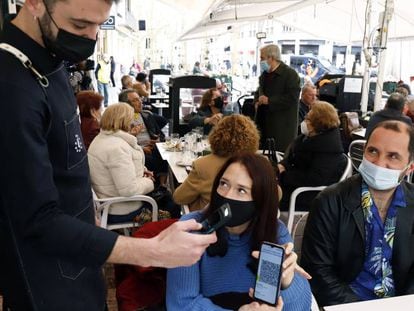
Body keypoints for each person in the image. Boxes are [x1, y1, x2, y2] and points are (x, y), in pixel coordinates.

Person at [0, 1, 216, 310]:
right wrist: (151, 250)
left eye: (100, 25)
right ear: (34, 2)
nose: (91, 38)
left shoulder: (50, 58)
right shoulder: (11, 87)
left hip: (81, 257)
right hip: (47, 282)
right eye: (78, 26)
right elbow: (36, 219)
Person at [167, 153, 312, 310]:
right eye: (223, 184)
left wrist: (287, 283)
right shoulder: (192, 229)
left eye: (241, 190)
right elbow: (181, 304)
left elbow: (301, 306)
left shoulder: (275, 233)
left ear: (260, 199)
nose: (227, 195)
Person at [301, 120, 414, 307]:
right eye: (373, 151)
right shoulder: (329, 202)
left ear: (409, 167)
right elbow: (318, 272)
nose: (379, 163)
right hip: (345, 304)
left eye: (393, 156)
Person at [88, 103, 180, 220]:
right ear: (124, 120)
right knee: (174, 205)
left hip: (109, 201)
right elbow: (128, 190)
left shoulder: (102, 139)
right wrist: (148, 181)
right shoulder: (116, 148)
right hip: (122, 208)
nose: (133, 122)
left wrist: (142, 172)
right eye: (131, 119)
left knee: (168, 198)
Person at [174, 115, 260, 212]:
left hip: (209, 222)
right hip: (249, 223)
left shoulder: (203, 165)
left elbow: (179, 197)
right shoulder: (259, 165)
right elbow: (276, 194)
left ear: (217, 134)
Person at [278, 101, 345, 211]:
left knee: (265, 195)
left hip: (307, 194)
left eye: (307, 119)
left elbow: (314, 179)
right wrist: (282, 166)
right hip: (294, 184)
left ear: (318, 124)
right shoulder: (308, 138)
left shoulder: (328, 149)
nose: (304, 122)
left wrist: (284, 174)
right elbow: (291, 158)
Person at [119, 89, 169, 187]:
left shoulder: (146, 115)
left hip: (152, 147)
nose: (140, 102)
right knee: (153, 160)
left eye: (139, 99)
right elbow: (120, 143)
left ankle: (162, 185)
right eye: (135, 100)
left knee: (166, 155)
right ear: (126, 104)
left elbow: (161, 135)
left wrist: (157, 140)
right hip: (135, 150)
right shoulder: (121, 120)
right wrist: (141, 149)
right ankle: (155, 186)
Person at [255, 44, 300, 152]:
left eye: (262, 58)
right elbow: (259, 91)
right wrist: (256, 100)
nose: (260, 61)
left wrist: (269, 101)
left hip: (282, 128)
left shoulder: (290, 75)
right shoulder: (264, 75)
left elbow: (292, 97)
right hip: (264, 125)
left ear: (272, 58)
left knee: (279, 159)